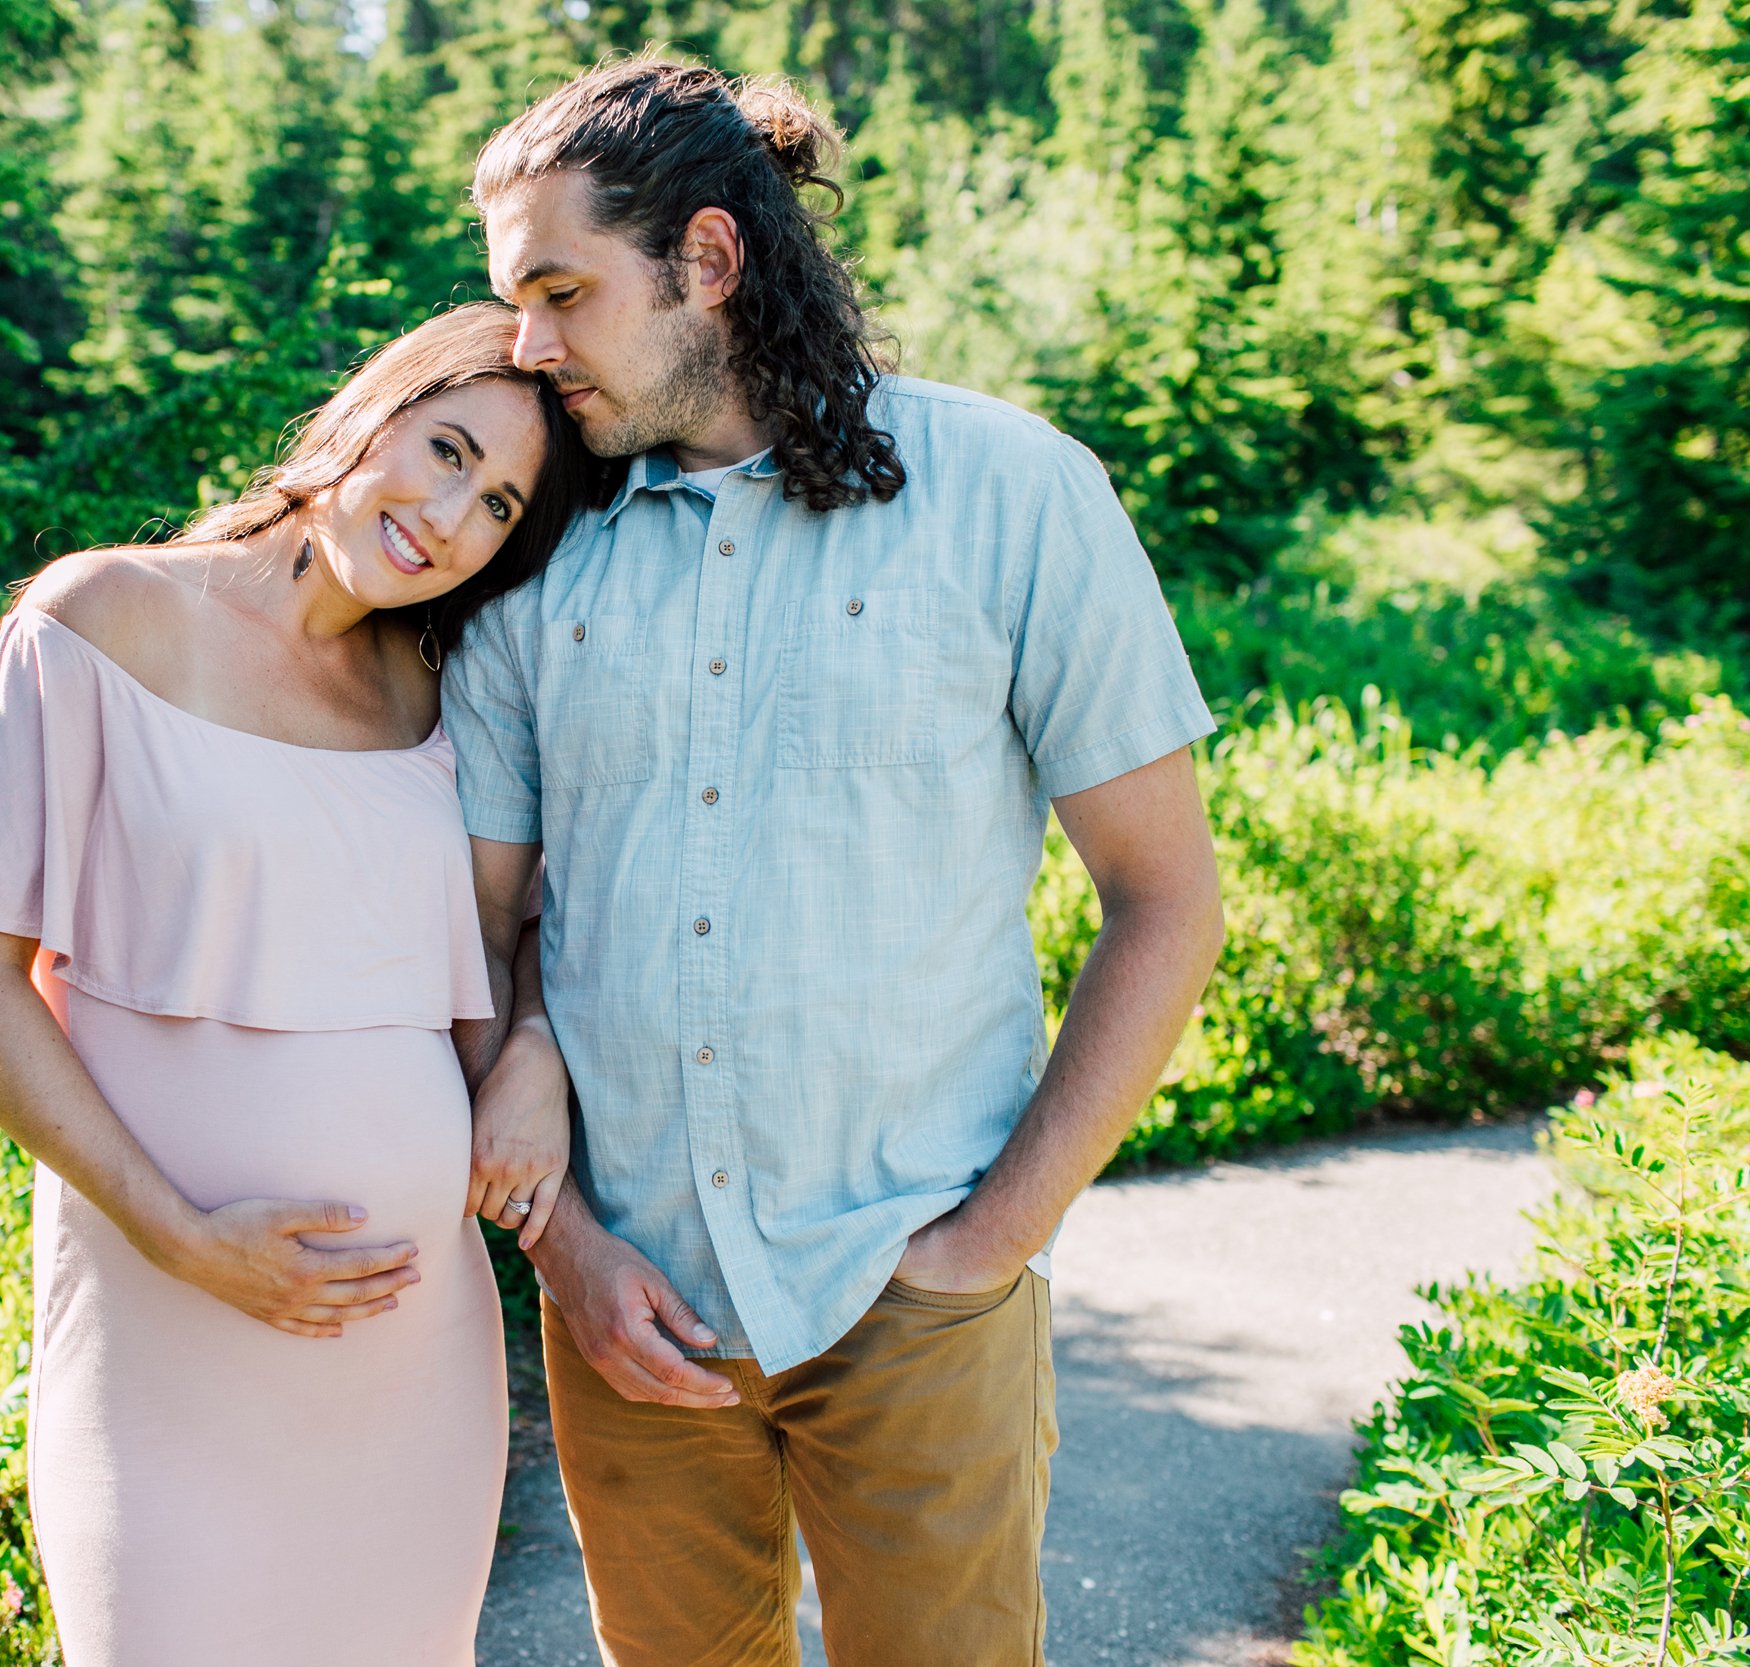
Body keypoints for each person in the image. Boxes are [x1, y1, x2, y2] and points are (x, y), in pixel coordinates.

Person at [444, 60, 1230, 1667]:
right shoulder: (534, 554)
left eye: (559, 291)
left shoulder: (1017, 498)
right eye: (510, 300)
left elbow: (1166, 904)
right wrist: (567, 1248)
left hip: (918, 1295)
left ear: (709, 262)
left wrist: (989, 1244)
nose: (524, 345)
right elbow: (486, 931)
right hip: (627, 1317)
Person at [0, 302, 596, 1666]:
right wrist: (177, 1233)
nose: (451, 515)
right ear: (366, 414)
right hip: (165, 1329)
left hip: (409, 1367)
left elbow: (514, 950)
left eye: (499, 503)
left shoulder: (441, 696)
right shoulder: (97, 618)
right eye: (445, 449)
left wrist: (535, 1056)